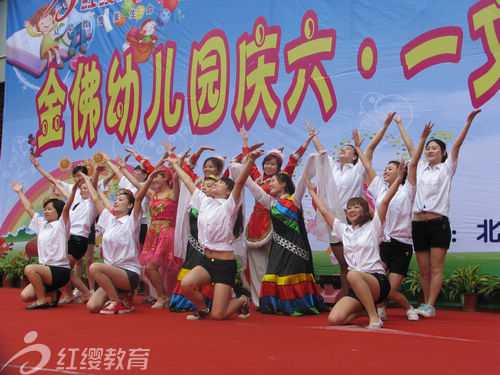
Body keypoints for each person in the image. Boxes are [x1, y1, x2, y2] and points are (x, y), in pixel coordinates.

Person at [395, 110, 481, 317]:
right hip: (418, 223)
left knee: (435, 269)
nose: (429, 151)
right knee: (423, 270)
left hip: (438, 222)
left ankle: (430, 305)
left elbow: (457, 145)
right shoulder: (420, 167)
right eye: (428, 149)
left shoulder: (447, 168)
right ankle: (426, 305)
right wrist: (399, 124)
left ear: (443, 153)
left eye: (435, 148)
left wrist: (468, 122)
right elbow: (410, 146)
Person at [306, 151, 407, 328]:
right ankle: (366, 310)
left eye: (356, 207)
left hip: (376, 281)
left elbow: (384, 203)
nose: (351, 210)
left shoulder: (374, 225)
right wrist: (312, 192)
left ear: (366, 210)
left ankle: (373, 317)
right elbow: (324, 211)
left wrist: (398, 180)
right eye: (349, 208)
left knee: (351, 273)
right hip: (357, 286)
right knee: (334, 319)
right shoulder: (343, 229)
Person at [169, 146, 264, 320]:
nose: (215, 183)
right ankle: (202, 309)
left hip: (224, 264)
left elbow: (241, 182)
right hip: (206, 261)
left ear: (228, 191)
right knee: (186, 284)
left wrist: (250, 160)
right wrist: (176, 166)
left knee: (219, 315)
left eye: (220, 183)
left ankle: (242, 300)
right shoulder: (203, 201)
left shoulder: (229, 206)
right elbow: (188, 182)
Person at [306, 113, 395, 295]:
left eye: (348, 149)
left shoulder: (358, 170)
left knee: (359, 264)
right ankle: (348, 297)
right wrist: (313, 135)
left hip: (353, 222)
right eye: (342, 149)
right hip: (335, 223)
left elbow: (370, 148)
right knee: (344, 265)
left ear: (355, 157)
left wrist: (384, 127)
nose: (343, 150)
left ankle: (367, 296)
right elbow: (322, 152)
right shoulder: (332, 167)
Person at [353, 122, 432, 321]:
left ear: (400, 172)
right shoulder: (380, 188)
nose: (385, 171)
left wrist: (422, 138)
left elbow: (414, 163)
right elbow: (367, 166)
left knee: (389, 289)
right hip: (382, 245)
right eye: (385, 169)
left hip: (402, 247)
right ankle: (379, 309)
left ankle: (407, 307)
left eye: (390, 168)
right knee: (377, 283)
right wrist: (358, 149)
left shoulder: (408, 190)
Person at [239, 128, 315, 308]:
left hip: (273, 222)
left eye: (272, 164)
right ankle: (258, 299)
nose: (268, 167)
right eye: (266, 163)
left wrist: (306, 143)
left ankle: (279, 296)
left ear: (278, 168)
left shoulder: (282, 178)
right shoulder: (257, 179)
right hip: (255, 223)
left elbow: (293, 160)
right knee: (256, 265)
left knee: (274, 263)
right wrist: (244, 142)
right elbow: (248, 165)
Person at [242, 162, 328, 315]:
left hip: (295, 249)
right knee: (273, 274)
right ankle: (278, 306)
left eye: (273, 181)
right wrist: (238, 170)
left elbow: (303, 178)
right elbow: (253, 188)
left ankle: (296, 306)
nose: (269, 184)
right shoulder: (271, 202)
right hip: (277, 248)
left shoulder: (294, 200)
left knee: (290, 276)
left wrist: (313, 158)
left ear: (283, 184)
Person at [30, 156, 99, 303]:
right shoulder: (75, 200)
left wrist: (91, 178)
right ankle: (70, 294)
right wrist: (37, 167)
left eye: (86, 186)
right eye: (81, 188)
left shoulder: (91, 204)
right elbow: (54, 181)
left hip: (78, 240)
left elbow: (93, 188)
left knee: (64, 269)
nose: (83, 189)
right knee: (64, 269)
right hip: (69, 238)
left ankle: (86, 293)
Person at [84, 171, 151, 314]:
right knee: (92, 306)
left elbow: (139, 199)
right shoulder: (109, 220)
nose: (116, 201)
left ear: (129, 205)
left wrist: (149, 179)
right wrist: (88, 181)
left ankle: (117, 301)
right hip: (111, 274)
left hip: (129, 274)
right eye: (116, 199)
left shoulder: (132, 221)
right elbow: (96, 198)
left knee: (95, 267)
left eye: (121, 200)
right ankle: (123, 297)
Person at [10, 181, 77, 309]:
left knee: (30, 268)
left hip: (59, 272)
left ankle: (42, 301)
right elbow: (29, 208)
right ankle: (54, 293)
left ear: (58, 211)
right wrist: (20, 192)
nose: (45, 212)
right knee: (25, 296)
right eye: (44, 209)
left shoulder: (61, 225)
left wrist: (73, 192)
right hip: (46, 271)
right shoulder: (42, 225)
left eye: (49, 209)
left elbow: (67, 206)